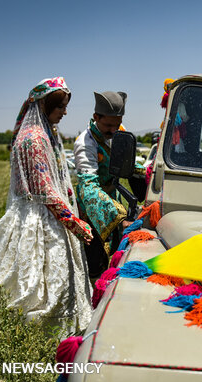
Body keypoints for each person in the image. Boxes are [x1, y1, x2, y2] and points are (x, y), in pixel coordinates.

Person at [0, 77, 93, 332]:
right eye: (60, 107)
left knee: (41, 281)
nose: (65, 112)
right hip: (39, 219)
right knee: (35, 284)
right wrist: (73, 222)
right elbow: (44, 190)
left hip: (41, 215)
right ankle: (38, 336)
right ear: (45, 106)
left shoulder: (44, 133)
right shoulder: (34, 140)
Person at [74, 91, 133, 279]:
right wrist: (118, 217)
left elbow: (130, 164)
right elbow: (88, 186)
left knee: (116, 256)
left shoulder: (118, 131)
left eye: (117, 124)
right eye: (108, 125)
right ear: (96, 118)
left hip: (111, 202)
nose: (114, 130)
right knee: (96, 261)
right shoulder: (86, 143)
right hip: (92, 207)